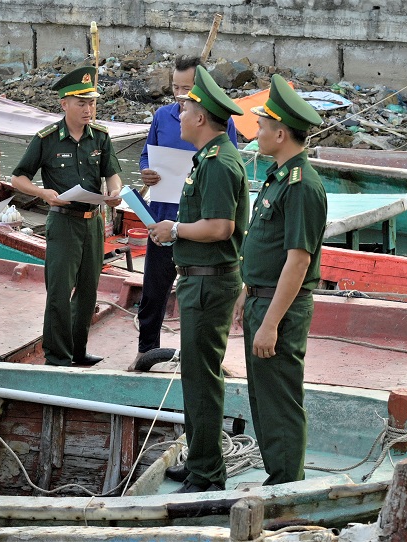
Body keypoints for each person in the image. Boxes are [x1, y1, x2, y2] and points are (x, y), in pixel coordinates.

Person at [147, 65, 248, 493]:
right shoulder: (207, 159)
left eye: (186, 109)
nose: (180, 115)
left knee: (202, 379)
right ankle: (200, 461)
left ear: (202, 117)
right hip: (199, 279)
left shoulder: (219, 163)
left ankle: (207, 474)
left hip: (210, 282)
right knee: (194, 375)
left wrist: (175, 229)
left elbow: (221, 227)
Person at [233, 74, 327, 485]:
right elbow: (265, 245)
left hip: (280, 308)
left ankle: (286, 484)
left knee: (280, 399)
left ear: (281, 133)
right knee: (263, 396)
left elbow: (298, 261)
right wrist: (246, 291)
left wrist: (271, 322)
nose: (257, 133)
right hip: (261, 299)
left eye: (262, 126)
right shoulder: (278, 176)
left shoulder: (302, 186)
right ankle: (278, 475)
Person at [130, 55, 239, 371]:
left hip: (198, 220)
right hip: (162, 213)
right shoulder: (162, 117)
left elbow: (227, 165)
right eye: (175, 88)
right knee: (154, 289)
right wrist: (147, 171)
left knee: (197, 292)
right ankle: (147, 352)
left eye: (186, 90)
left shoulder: (220, 126)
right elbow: (146, 156)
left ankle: (200, 358)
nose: (180, 97)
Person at [10, 66, 123, 367]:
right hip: (63, 222)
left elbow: (112, 174)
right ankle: (58, 356)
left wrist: (114, 191)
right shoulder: (47, 139)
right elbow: (18, 178)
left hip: (93, 222)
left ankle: (78, 350)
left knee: (88, 291)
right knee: (59, 292)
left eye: (92, 103)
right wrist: (43, 193)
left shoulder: (100, 137)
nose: (88, 110)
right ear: (64, 104)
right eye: (81, 103)